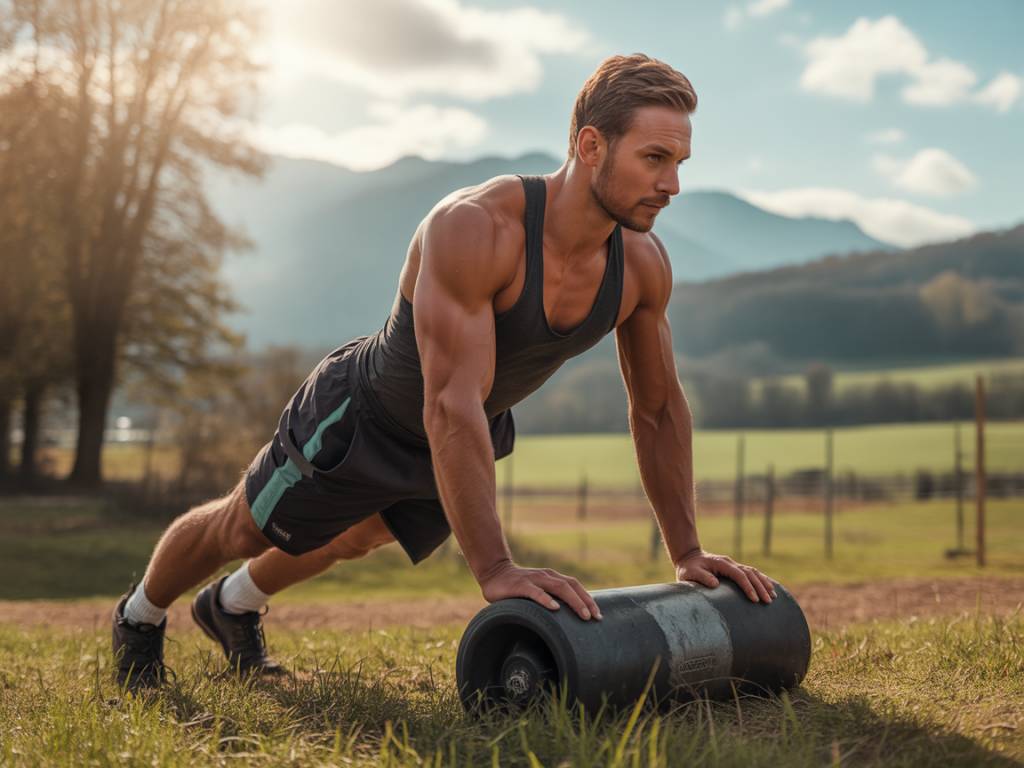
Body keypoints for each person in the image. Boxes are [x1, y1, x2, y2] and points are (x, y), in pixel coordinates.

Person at [112, 53, 778, 691]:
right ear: (591, 147)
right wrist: (495, 568)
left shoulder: (642, 264)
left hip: (471, 425)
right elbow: (450, 403)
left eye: (680, 162)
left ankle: (232, 605)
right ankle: (138, 616)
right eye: (655, 159)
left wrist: (688, 552)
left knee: (360, 536)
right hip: (363, 417)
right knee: (240, 527)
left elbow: (658, 409)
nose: (673, 185)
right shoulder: (477, 228)